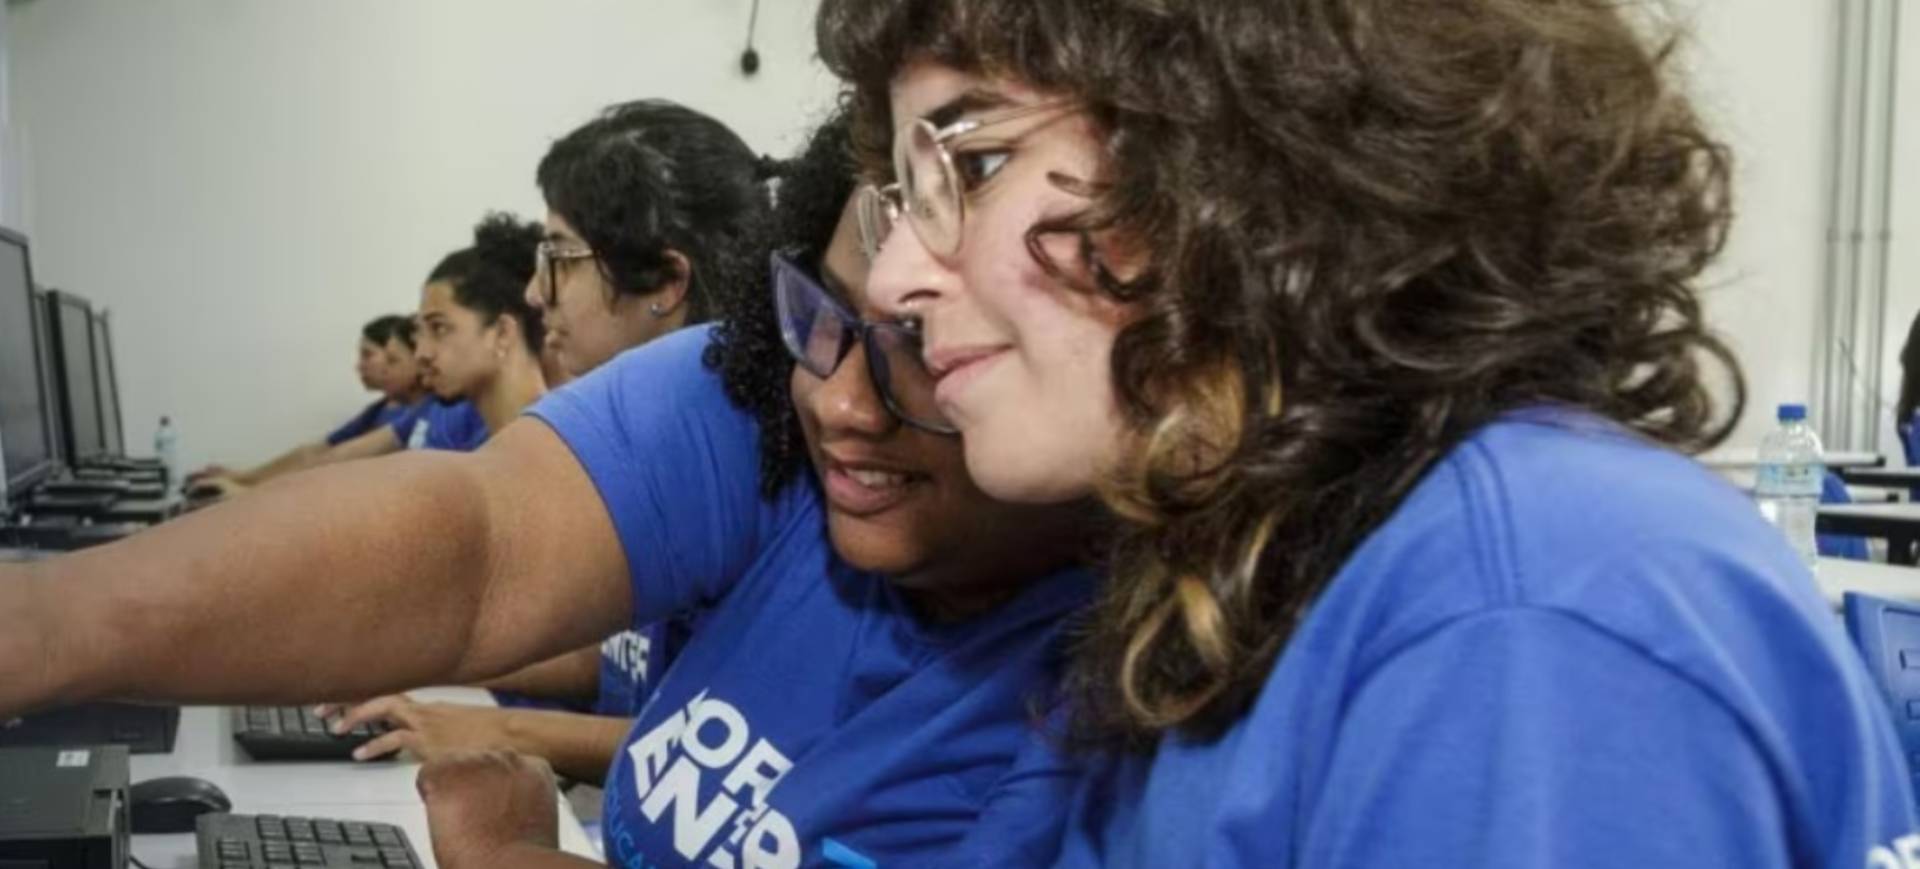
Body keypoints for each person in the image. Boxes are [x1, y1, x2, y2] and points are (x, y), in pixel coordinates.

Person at [817, 0, 1920, 864]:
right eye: (901, 200)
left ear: (1248, 143)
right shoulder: (1242, 566)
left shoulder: (1518, 608)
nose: (902, 280)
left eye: (976, 162)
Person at [0, 109, 1099, 869]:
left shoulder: (1107, 696)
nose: (848, 404)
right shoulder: (765, 397)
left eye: (925, 347)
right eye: (828, 320)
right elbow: (478, 543)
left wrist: (505, 848)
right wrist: (38, 624)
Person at [334, 99, 777, 776]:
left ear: (664, 280)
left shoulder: (747, 471)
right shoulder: (656, 439)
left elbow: (711, 755)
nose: (536, 294)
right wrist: (424, 663)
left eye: (560, 258)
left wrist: (495, 726)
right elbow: (611, 663)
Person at [186, 314, 421, 487]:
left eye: (391, 360)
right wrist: (245, 478)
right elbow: (315, 454)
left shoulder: (423, 411)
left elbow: (332, 462)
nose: (359, 366)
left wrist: (252, 491)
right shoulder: (383, 408)